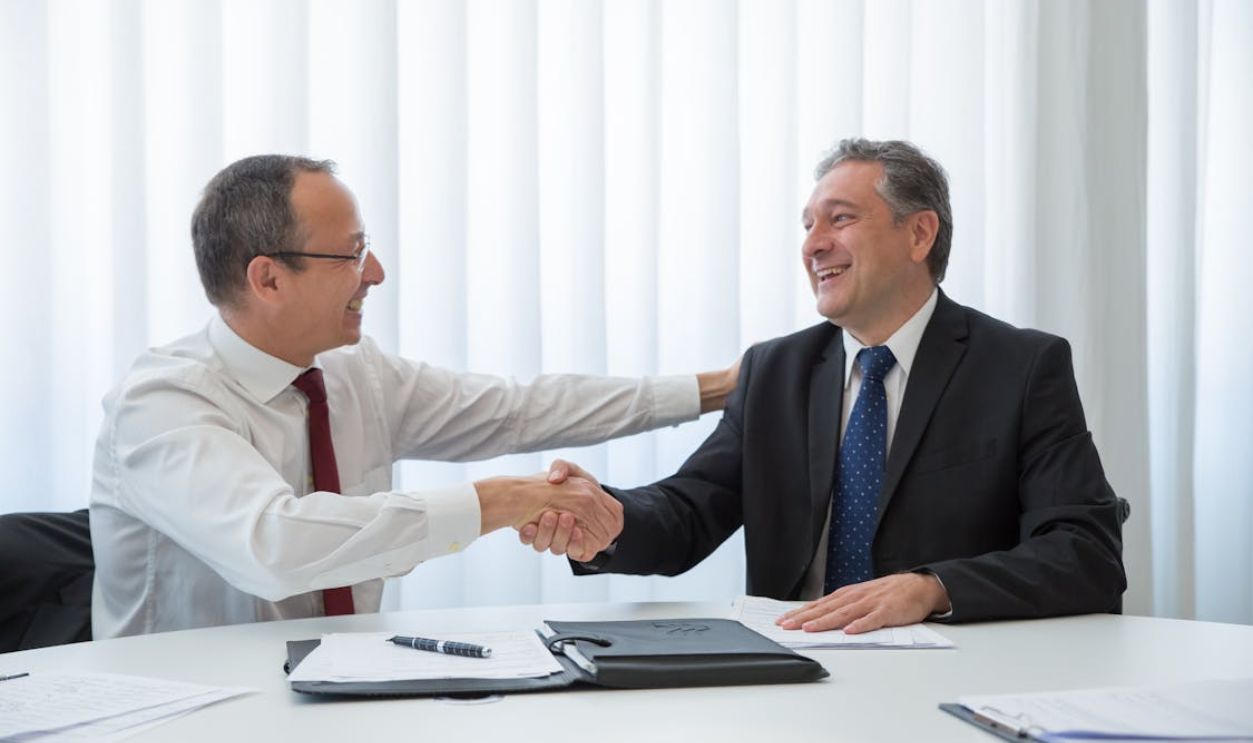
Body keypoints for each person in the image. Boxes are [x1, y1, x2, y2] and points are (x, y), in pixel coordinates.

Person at [89, 155, 738, 639]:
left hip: (344, 694)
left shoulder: (353, 373)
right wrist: (502, 501)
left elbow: (518, 409)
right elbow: (276, 545)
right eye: (351, 253)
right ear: (268, 278)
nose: (375, 273)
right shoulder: (160, 402)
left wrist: (724, 387)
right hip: (190, 714)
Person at [525, 138, 1126, 633]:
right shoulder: (774, 370)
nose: (813, 244)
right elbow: (688, 512)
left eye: (840, 219)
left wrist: (932, 589)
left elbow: (1084, 553)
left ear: (920, 235)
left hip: (953, 668)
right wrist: (606, 517)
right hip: (795, 665)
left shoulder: (1020, 366)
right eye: (809, 225)